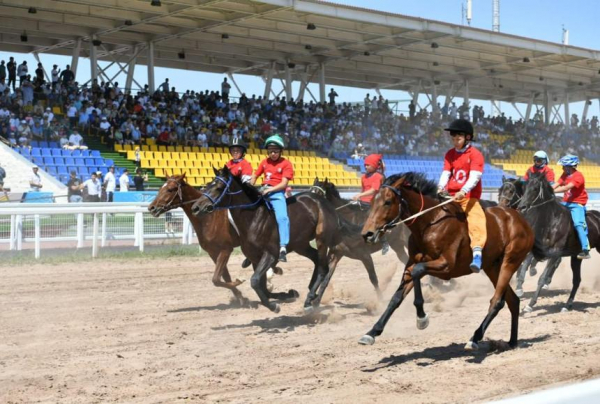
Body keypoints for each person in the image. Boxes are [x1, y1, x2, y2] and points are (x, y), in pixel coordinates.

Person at [437, 118, 486, 273]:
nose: (455, 141)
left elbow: (475, 177)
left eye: (458, 138)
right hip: (449, 195)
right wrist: (440, 187)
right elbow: (445, 173)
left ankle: (477, 253)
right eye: (453, 139)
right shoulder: (449, 154)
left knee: (475, 219)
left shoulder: (476, 154)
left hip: (468, 197)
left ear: (467, 138)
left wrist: (463, 191)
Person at [250, 134, 294, 262]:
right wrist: (250, 186)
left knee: (282, 217)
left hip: (277, 193)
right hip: (262, 192)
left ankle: (283, 247)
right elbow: (255, 176)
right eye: (270, 151)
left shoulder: (286, 164)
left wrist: (269, 189)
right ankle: (251, 246)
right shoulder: (264, 162)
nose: (273, 153)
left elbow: (284, 184)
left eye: (275, 151)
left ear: (281, 151)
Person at [553, 155, 591, 259]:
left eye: (564, 166)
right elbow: (557, 184)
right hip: (566, 202)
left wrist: (550, 191)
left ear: (571, 166)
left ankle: (585, 250)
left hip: (577, 204)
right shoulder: (565, 174)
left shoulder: (579, 176)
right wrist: (548, 188)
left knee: (578, 224)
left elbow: (566, 187)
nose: (562, 168)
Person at [352, 154, 390, 254]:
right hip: (362, 202)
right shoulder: (363, 177)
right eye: (365, 165)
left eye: (368, 165)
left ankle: (384, 242)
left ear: (374, 166)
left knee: (372, 220)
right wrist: (359, 197)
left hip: (374, 204)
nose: (366, 166)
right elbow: (363, 189)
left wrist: (360, 195)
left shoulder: (378, 176)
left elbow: (374, 190)